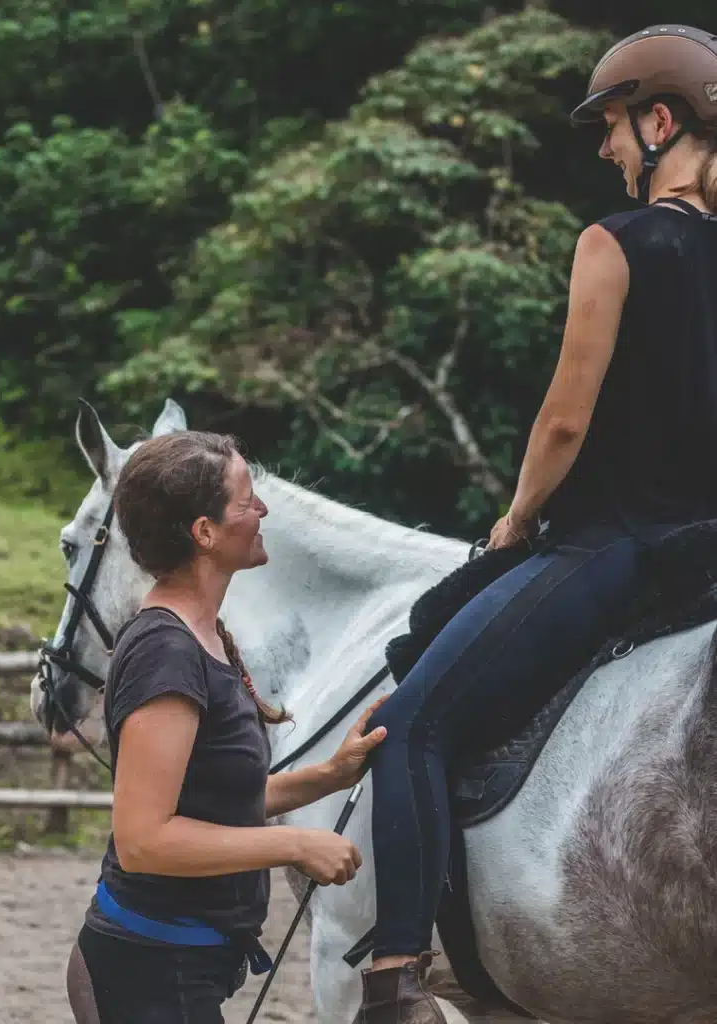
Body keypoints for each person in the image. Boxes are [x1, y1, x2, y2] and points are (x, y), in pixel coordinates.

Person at [354, 24, 717, 1024]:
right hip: (705, 559)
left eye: (609, 125)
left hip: (616, 549)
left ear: (658, 119)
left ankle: (391, 977)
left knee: (409, 726)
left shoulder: (615, 242)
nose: (604, 148)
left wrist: (515, 518)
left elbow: (564, 416)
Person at [65, 430, 388, 1024]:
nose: (262, 509)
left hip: (179, 970)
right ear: (204, 532)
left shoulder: (205, 635)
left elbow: (213, 801)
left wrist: (329, 776)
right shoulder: (166, 652)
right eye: (246, 499)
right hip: (148, 976)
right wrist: (295, 842)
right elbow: (145, 841)